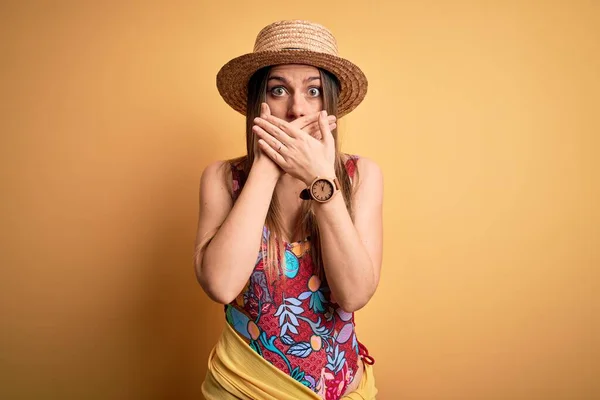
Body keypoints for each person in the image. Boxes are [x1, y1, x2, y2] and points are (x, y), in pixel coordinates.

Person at [195, 20, 383, 400]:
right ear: (256, 104)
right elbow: (221, 284)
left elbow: (354, 294)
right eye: (278, 90)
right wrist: (268, 165)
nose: (296, 109)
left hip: (339, 389)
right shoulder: (222, 178)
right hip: (241, 387)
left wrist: (320, 180)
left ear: (329, 103)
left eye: (313, 91)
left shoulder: (360, 175)